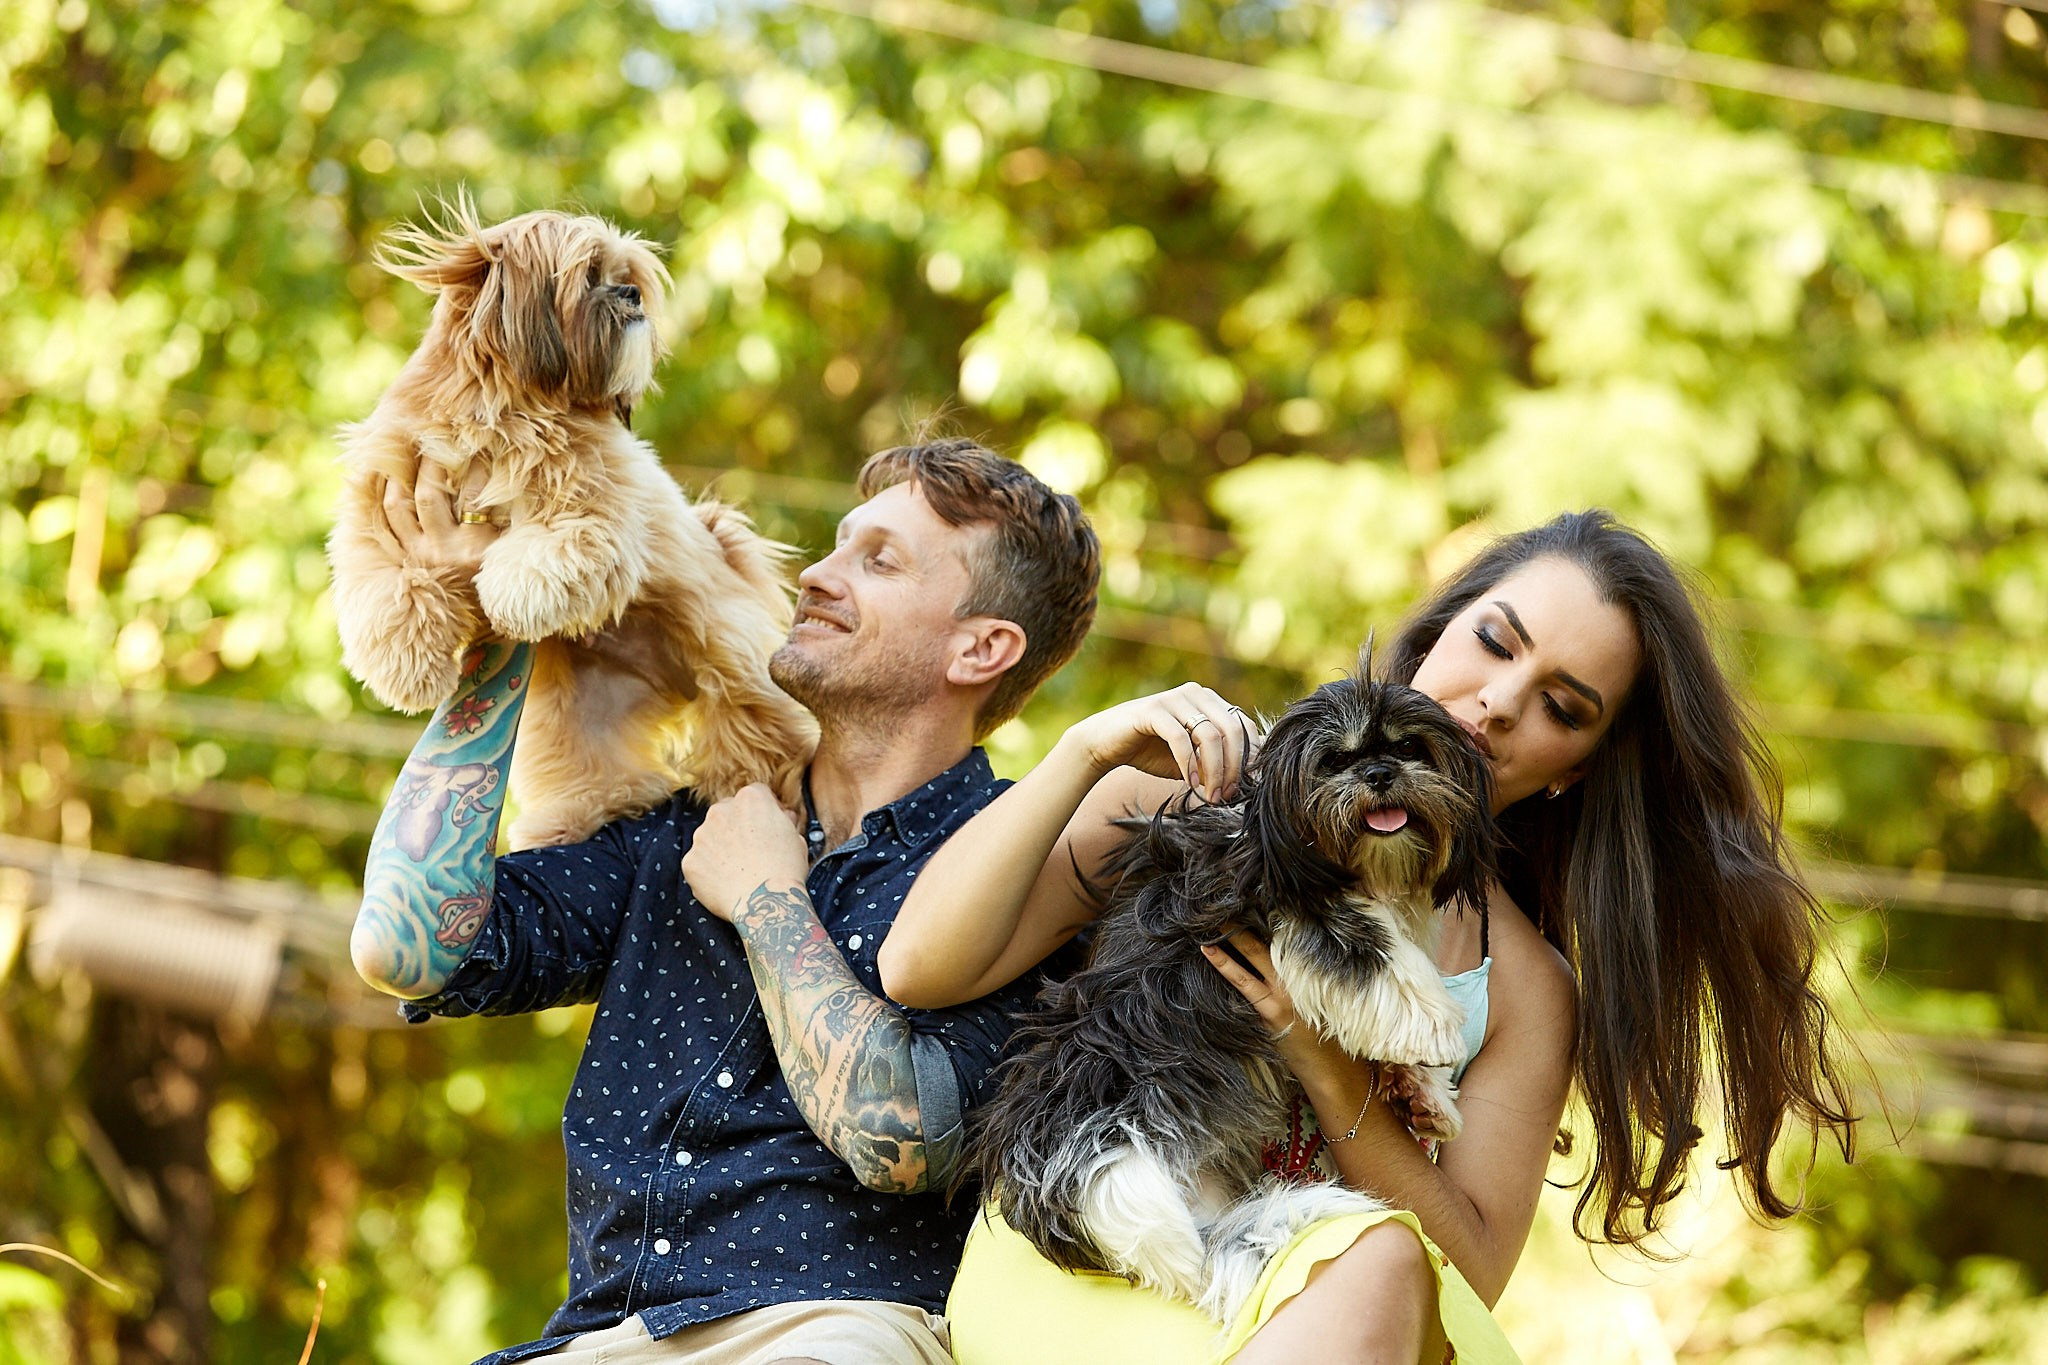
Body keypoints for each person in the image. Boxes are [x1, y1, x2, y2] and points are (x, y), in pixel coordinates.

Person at [878, 509, 1860, 1365]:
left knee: (1382, 1264)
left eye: (1561, 707)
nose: (1499, 701)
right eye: (1493, 642)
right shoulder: (1208, 786)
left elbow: (1465, 1271)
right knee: (1374, 1264)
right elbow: (918, 968)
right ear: (1432, 635)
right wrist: (1084, 750)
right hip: (1101, 1247)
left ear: (1577, 768)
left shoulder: (1521, 985)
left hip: (1334, 1297)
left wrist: (1324, 1061)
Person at [348, 436, 1100, 1365]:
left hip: (835, 1332)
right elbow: (406, 945)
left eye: (880, 560)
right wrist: (498, 640)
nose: (818, 575)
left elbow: (901, 1140)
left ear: (982, 647)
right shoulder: (682, 829)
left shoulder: (1032, 866)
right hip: (599, 1340)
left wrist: (766, 897)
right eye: (836, 542)